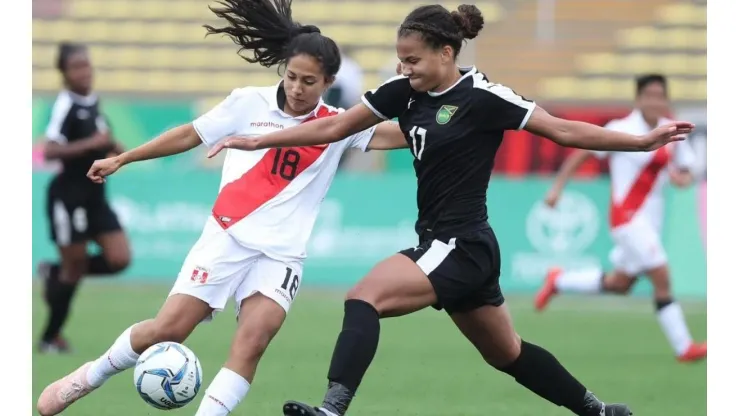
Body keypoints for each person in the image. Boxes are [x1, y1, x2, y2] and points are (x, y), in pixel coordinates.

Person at [206, 5, 694, 416]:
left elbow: (562, 129)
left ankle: (332, 409)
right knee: (508, 353)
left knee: (363, 298)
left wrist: (639, 142)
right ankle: (598, 410)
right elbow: (333, 128)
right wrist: (260, 137)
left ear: (446, 52)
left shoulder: (484, 97)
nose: (405, 69)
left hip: (460, 243)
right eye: (400, 59)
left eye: (412, 59)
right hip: (445, 243)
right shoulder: (403, 93)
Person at [35, 1, 407, 415]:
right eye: (291, 77)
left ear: (329, 82)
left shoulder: (339, 124)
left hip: (281, 254)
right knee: (168, 329)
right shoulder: (247, 103)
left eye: (309, 81)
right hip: (226, 238)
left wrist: (451, 112)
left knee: (252, 343)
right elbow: (188, 135)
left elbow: (401, 135)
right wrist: (125, 158)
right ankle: (90, 376)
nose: (297, 88)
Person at [535, 74, 707, 363]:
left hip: (652, 221)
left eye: (659, 95)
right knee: (661, 276)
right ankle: (684, 347)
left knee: (621, 283)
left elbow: (687, 171)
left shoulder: (671, 131)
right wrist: (558, 187)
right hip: (626, 219)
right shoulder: (621, 128)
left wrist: (682, 178)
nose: (654, 101)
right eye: (648, 95)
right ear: (638, 99)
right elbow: (584, 152)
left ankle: (560, 280)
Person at [38, 42, 131, 354]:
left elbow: (102, 140)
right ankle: (50, 337)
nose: (85, 71)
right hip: (69, 197)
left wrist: (120, 151)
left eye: (87, 65)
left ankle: (54, 272)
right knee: (73, 269)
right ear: (64, 73)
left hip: (95, 197)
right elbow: (49, 149)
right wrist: (92, 143)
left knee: (119, 259)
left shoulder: (92, 102)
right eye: (77, 66)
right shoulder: (65, 104)